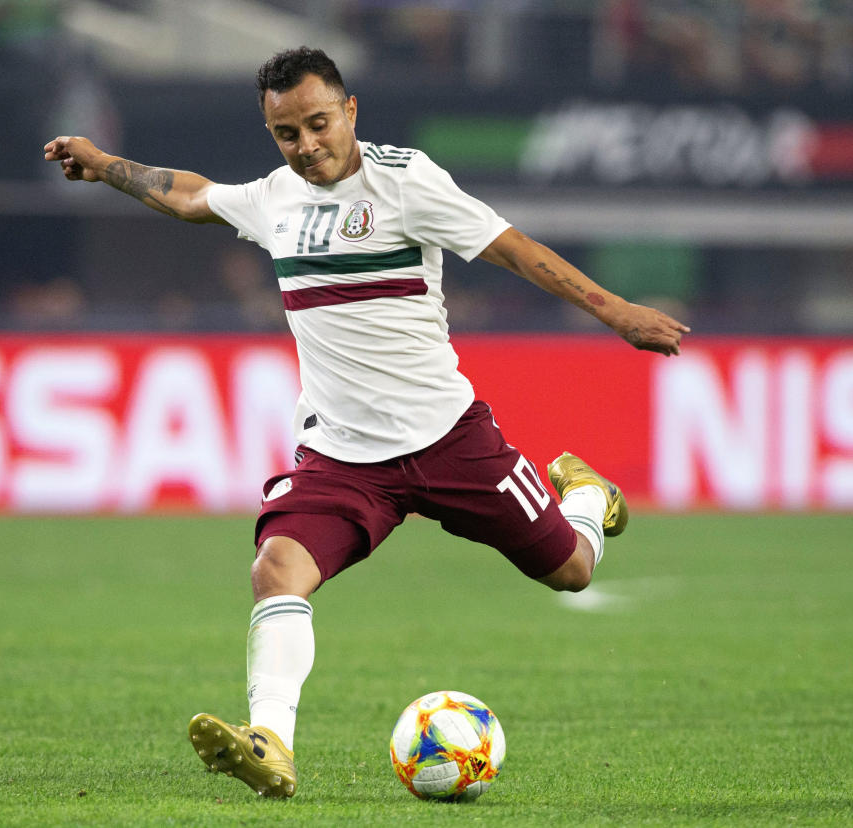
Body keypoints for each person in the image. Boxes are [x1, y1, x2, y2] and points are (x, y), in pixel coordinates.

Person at [44, 46, 688, 799]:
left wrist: (618, 314)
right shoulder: (276, 197)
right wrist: (105, 163)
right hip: (342, 456)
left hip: (450, 439)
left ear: (350, 111)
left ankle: (585, 497)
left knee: (572, 570)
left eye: (319, 124)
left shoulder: (406, 181)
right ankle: (271, 742)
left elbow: (512, 250)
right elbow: (193, 196)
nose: (307, 145)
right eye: (287, 134)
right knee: (276, 570)